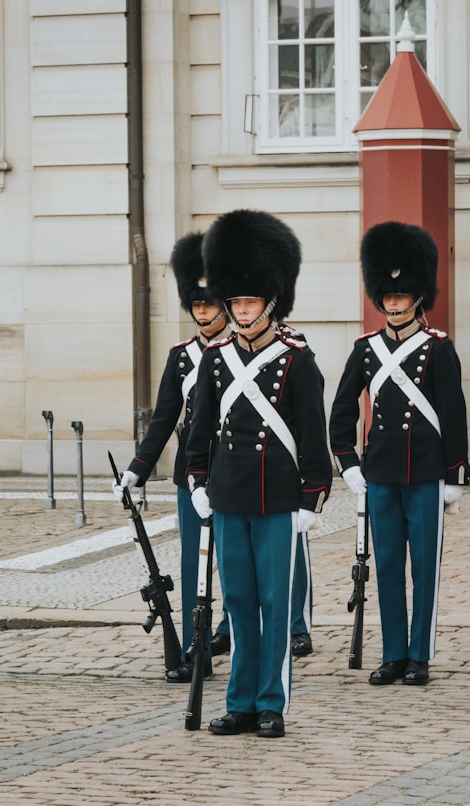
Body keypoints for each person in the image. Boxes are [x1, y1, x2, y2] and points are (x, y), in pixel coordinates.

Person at [184, 208, 332, 738]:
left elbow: (314, 437)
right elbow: (199, 429)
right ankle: (240, 701)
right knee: (239, 603)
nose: (242, 311)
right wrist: (197, 481)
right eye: (236, 301)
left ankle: (272, 702)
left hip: (277, 501)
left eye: (250, 301)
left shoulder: (297, 360)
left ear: (271, 302)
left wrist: (311, 500)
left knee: (274, 604)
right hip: (228, 497)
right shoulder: (216, 360)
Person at [329, 221, 470, 688]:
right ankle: (392, 653)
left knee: (424, 569)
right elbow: (342, 408)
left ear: (417, 296)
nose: (393, 301)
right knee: (387, 565)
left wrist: (453, 475)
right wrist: (348, 463)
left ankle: (420, 654)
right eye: (387, 295)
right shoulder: (365, 350)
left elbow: (453, 412)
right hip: (383, 473)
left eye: (401, 294)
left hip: (426, 473)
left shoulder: (438, 348)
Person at [112, 231, 229, 683]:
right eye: (196, 305)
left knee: (233, 563)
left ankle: (231, 632)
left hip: (235, 470)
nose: (202, 311)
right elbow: (163, 420)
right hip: (190, 477)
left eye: (208, 303)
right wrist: (137, 469)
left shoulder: (239, 352)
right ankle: (194, 648)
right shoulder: (182, 357)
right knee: (191, 563)